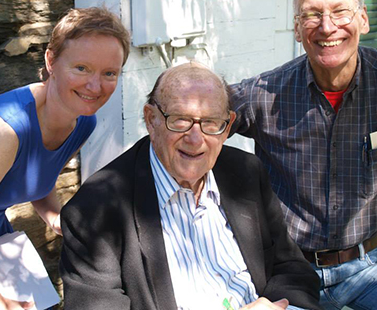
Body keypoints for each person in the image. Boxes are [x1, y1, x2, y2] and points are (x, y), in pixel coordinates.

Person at [230, 0, 377, 309]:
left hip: (372, 265)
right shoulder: (265, 93)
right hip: (288, 269)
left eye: (340, 12)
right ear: (297, 29)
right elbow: (197, 117)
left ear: (363, 19)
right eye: (311, 15)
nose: (327, 27)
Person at [60, 63, 322, 310]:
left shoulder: (246, 172)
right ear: (151, 120)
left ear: (228, 125)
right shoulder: (93, 211)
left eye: (211, 123)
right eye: (180, 120)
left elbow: (290, 267)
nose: (196, 139)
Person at [0, 6, 130, 310]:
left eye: (109, 73)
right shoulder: (2, 132)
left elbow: (38, 176)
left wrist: (56, 219)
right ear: (51, 61)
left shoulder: (83, 121)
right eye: (82, 68)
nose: (95, 86)